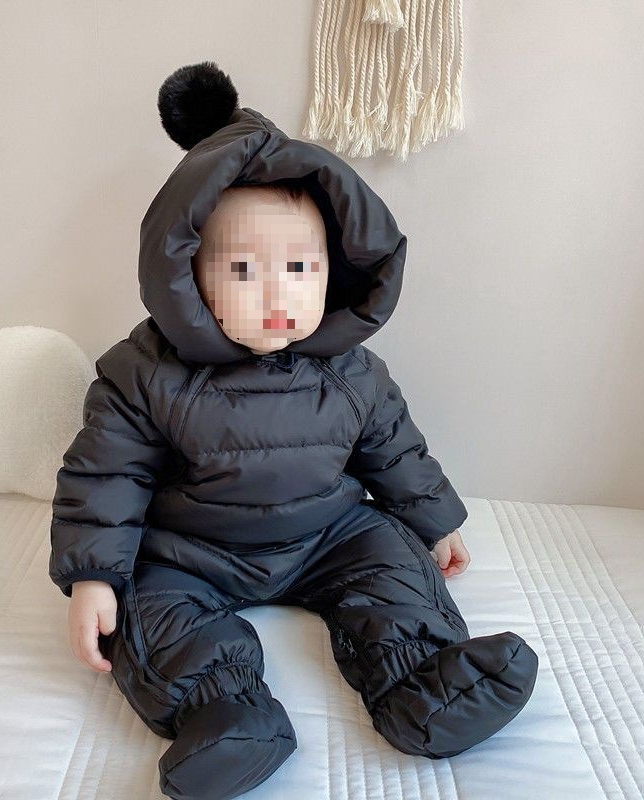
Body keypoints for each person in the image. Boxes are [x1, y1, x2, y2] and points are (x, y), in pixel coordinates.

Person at [49, 62, 539, 800]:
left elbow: (393, 447)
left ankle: (421, 684)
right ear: (186, 276)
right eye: (244, 270)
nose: (278, 292)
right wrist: (93, 574)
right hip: (193, 549)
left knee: (390, 562)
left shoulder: (350, 368)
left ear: (334, 273)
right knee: (149, 608)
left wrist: (434, 520)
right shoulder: (144, 371)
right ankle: (226, 714)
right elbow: (105, 475)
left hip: (327, 536)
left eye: (301, 267)